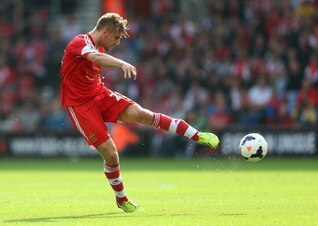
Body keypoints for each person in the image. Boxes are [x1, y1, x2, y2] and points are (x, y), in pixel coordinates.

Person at [60, 12, 220, 213]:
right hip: (80, 105)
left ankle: (196, 135)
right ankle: (122, 199)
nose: (117, 42)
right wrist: (121, 63)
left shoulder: (100, 44)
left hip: (99, 94)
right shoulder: (79, 42)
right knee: (111, 154)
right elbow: (94, 57)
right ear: (106, 31)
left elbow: (97, 57)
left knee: (142, 114)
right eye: (116, 37)